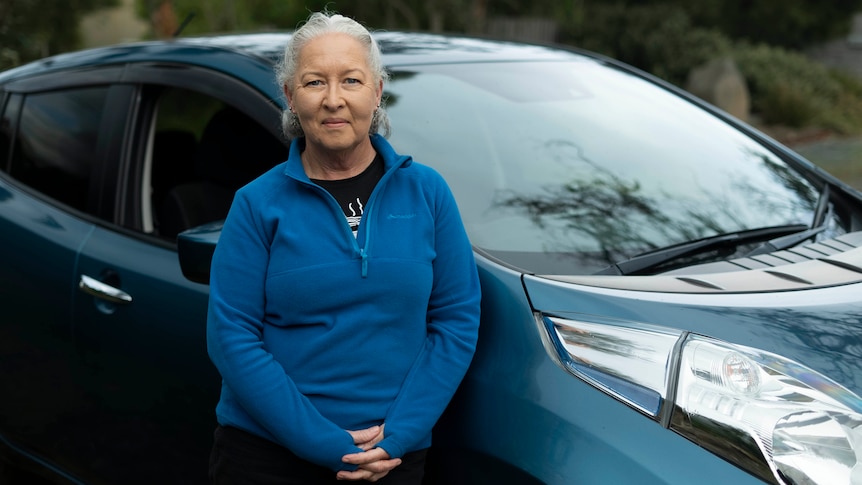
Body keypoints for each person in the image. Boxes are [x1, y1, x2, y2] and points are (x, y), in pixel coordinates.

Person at [206, 10, 482, 484]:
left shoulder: (427, 193)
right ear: (291, 97)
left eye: (351, 81)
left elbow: (456, 321)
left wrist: (399, 436)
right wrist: (323, 443)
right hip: (268, 456)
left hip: (390, 457)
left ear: (376, 92)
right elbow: (232, 338)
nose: (334, 100)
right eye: (315, 83)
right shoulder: (256, 204)